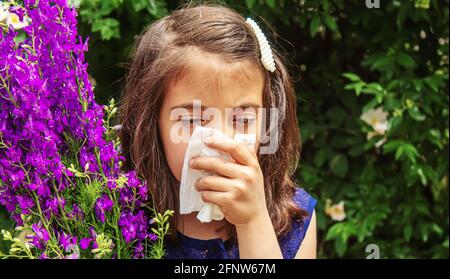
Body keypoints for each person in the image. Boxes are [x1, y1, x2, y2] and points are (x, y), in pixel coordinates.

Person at [119, 3, 317, 259]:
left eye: (242, 118)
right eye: (191, 120)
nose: (219, 139)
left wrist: (253, 222)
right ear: (151, 124)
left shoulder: (294, 216)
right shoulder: (119, 212)